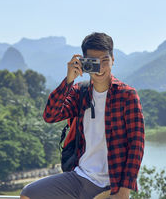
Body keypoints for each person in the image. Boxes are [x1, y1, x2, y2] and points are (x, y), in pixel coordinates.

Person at [20, 32, 145, 199]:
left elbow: (136, 145)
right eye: (94, 62)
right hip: (80, 178)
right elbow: (50, 115)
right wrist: (68, 80)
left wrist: (124, 190)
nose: (100, 67)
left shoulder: (126, 95)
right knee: (29, 194)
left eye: (105, 60)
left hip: (111, 184)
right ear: (85, 63)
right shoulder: (80, 92)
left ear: (113, 59)